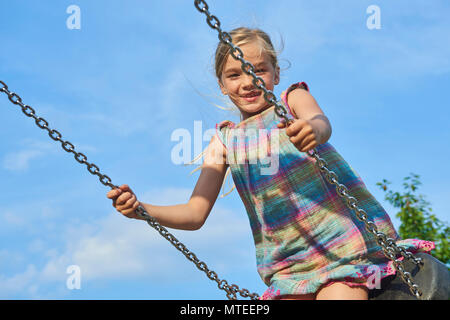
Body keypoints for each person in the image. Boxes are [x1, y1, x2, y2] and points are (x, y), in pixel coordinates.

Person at [106, 27, 435, 300]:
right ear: (222, 85)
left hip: (344, 249)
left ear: (275, 73)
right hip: (290, 268)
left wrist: (311, 130)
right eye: (234, 75)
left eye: (257, 70)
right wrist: (143, 210)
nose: (247, 81)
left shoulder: (292, 102)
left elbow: (321, 122)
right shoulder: (224, 142)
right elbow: (194, 214)